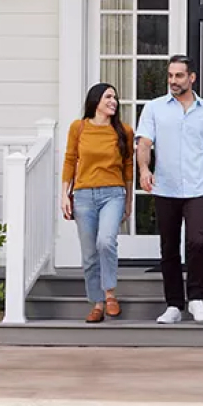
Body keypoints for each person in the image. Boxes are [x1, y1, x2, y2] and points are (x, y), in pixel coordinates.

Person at [135, 55, 203, 323]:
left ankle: (196, 300)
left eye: (179, 76)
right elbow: (144, 143)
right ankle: (173, 305)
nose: (173, 81)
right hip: (165, 188)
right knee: (169, 248)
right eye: (170, 76)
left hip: (196, 188)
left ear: (192, 78)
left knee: (196, 243)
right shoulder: (155, 108)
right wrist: (144, 170)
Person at [62, 83, 135, 323]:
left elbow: (127, 169)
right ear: (95, 101)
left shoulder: (124, 131)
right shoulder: (79, 127)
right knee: (89, 253)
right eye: (108, 97)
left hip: (113, 194)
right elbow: (70, 161)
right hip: (83, 195)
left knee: (106, 241)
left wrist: (129, 201)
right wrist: (64, 194)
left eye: (115, 97)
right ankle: (97, 303)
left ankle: (110, 293)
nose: (114, 101)